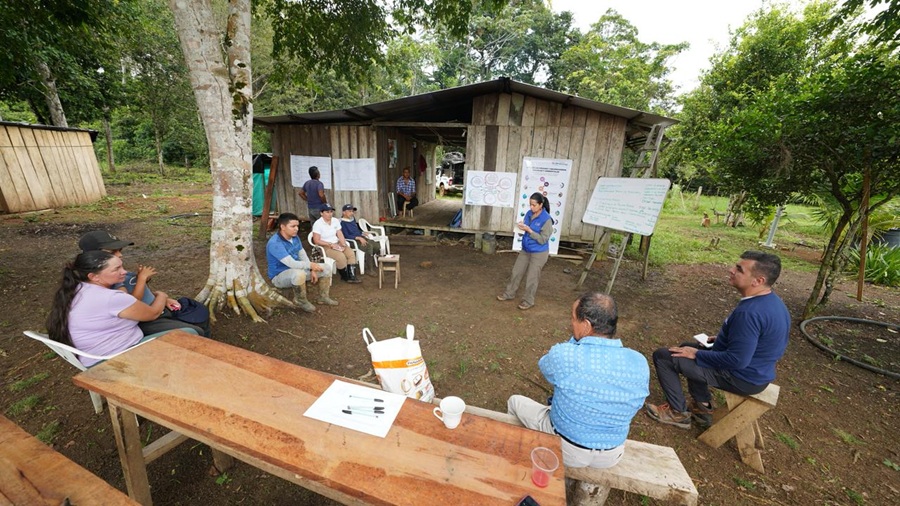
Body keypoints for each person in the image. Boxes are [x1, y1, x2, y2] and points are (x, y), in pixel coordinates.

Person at [645, 250, 791, 429]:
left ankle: (677, 413)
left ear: (758, 281)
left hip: (741, 377)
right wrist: (724, 338)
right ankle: (702, 407)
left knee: (664, 356)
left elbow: (737, 360)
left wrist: (698, 354)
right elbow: (762, 340)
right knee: (685, 347)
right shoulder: (772, 302)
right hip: (758, 372)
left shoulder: (749, 313)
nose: (731, 270)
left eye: (739, 269)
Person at [507, 292, 649, 468]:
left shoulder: (566, 354)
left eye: (573, 318)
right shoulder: (639, 362)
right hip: (611, 454)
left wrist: (576, 341)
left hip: (567, 449)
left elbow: (545, 366)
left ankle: (519, 454)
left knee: (515, 401)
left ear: (587, 325)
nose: (571, 322)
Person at [46, 251, 197, 367]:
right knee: (190, 333)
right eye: (116, 269)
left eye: (122, 266)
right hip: (112, 358)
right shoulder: (111, 298)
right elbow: (153, 313)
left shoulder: (77, 288)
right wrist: (162, 295)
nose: (124, 272)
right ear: (94, 276)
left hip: (90, 355)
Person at [78, 230, 210, 338]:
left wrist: (159, 296)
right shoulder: (108, 284)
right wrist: (160, 294)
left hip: (152, 309)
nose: (120, 255)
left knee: (198, 312)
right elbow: (135, 304)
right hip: (145, 318)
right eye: (112, 252)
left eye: (120, 250)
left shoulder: (108, 275)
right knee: (194, 331)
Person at [266, 212, 338, 312]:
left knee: (325, 268)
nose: (297, 229)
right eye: (293, 226)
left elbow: (302, 254)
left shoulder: (295, 237)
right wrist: (310, 265)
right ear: (282, 227)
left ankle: (323, 297)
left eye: (297, 226)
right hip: (279, 276)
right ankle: (300, 300)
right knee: (298, 273)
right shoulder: (275, 243)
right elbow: (291, 263)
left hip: (296, 270)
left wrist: (311, 268)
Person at [497, 192, 553, 310]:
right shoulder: (528, 214)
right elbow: (525, 229)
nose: (531, 207)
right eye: (530, 205)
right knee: (516, 272)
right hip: (526, 249)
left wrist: (529, 230)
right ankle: (509, 294)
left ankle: (528, 300)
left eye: (534, 205)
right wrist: (521, 227)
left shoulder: (547, 219)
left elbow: (543, 240)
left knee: (532, 277)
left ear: (541, 205)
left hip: (539, 252)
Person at [312, 204, 361, 283]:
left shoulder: (335, 221)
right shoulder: (318, 224)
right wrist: (330, 244)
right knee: (340, 256)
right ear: (321, 213)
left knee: (351, 253)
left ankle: (352, 276)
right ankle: (345, 276)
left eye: (331, 212)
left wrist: (343, 243)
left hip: (336, 242)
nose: (330, 214)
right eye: (327, 212)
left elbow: (339, 233)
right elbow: (316, 240)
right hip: (325, 246)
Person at [340, 204, 380, 276]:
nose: (351, 213)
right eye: (349, 211)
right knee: (369, 247)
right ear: (344, 212)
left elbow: (356, 230)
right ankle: (369, 269)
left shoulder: (352, 219)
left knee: (377, 245)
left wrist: (362, 233)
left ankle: (367, 259)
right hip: (352, 240)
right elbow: (345, 235)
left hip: (359, 237)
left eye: (352, 211)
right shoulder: (342, 223)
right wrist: (358, 238)